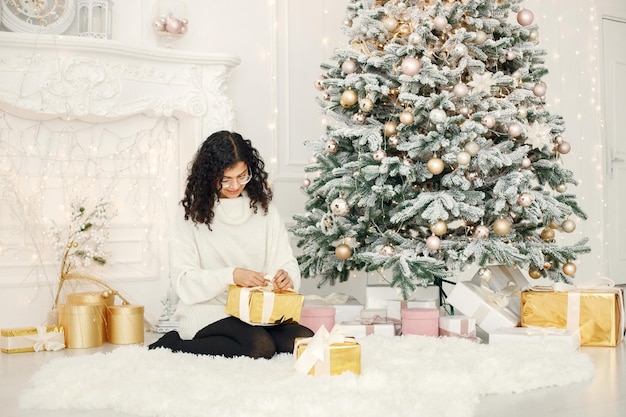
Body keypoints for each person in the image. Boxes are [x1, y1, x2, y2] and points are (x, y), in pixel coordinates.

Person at [148, 131, 314, 358]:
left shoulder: (263, 209)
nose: (235, 185)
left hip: (255, 312)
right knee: (260, 347)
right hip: (209, 311)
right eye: (225, 179)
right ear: (209, 175)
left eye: (242, 176)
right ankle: (173, 344)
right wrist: (231, 276)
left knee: (305, 338)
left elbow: (285, 260)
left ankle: (253, 338)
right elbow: (184, 282)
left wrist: (288, 276)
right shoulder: (190, 215)